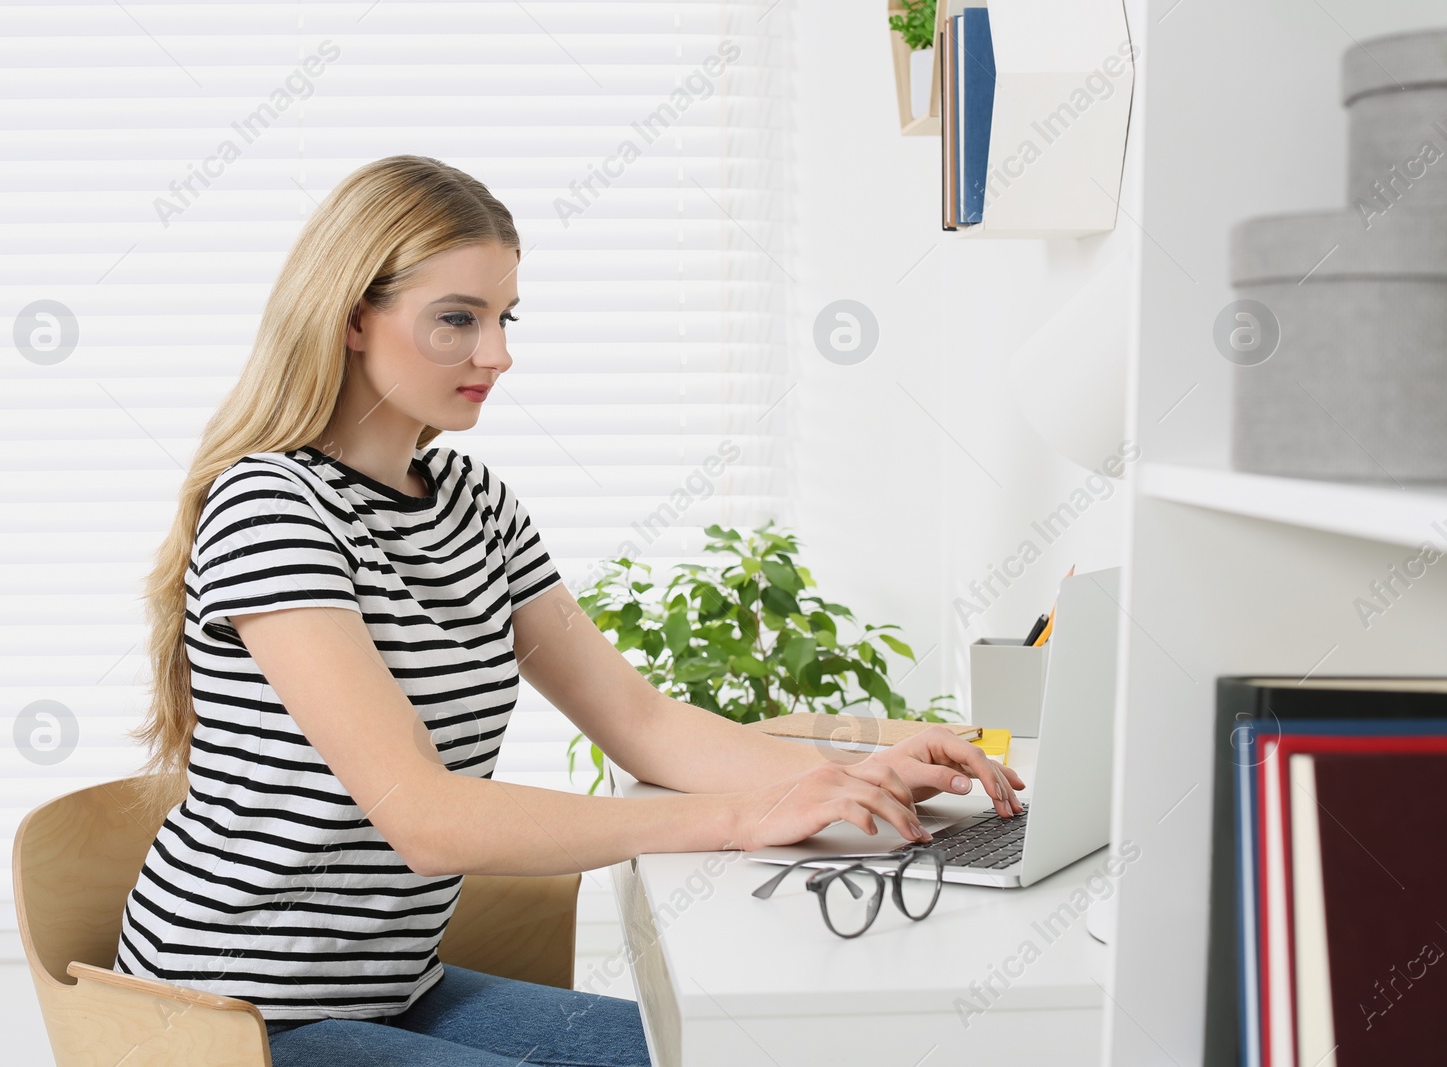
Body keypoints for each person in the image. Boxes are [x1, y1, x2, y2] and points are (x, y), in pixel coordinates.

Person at [112, 154, 1024, 1067]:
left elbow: (642, 722)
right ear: (353, 318)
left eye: (503, 318)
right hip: (231, 1015)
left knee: (718, 1052)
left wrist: (850, 771)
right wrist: (745, 814)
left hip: (393, 989)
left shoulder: (475, 503)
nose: (497, 353)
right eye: (456, 320)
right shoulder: (271, 507)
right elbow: (423, 818)